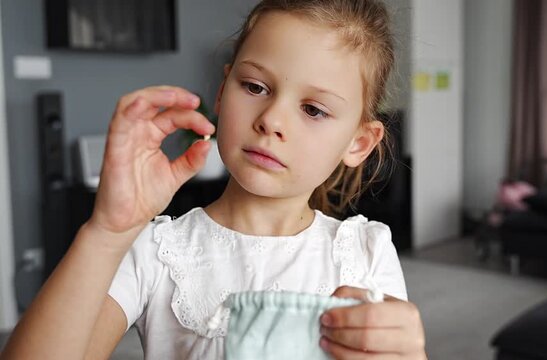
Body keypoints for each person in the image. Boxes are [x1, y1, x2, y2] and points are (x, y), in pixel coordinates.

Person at [1, 0, 427, 359]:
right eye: (256, 87)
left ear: (358, 142)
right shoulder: (157, 251)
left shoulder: (366, 252)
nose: (272, 120)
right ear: (223, 92)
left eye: (313, 110)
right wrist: (107, 232)